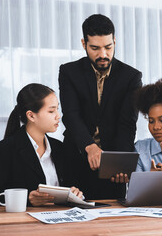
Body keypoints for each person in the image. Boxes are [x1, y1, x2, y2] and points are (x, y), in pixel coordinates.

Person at [58, 14, 142, 199]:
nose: (103, 54)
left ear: (114, 41)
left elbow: (127, 123)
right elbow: (71, 115)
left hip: (112, 168)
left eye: (108, 47)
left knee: (113, 222)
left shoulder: (131, 77)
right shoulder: (69, 72)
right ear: (83, 44)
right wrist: (89, 146)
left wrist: (119, 163)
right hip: (75, 160)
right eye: (95, 48)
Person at [0, 83, 83, 206]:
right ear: (31, 115)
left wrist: (75, 193)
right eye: (51, 111)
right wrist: (27, 199)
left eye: (57, 109)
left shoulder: (60, 148)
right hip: (24, 222)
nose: (58, 116)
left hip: (61, 220)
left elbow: (73, 187)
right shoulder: (5, 149)